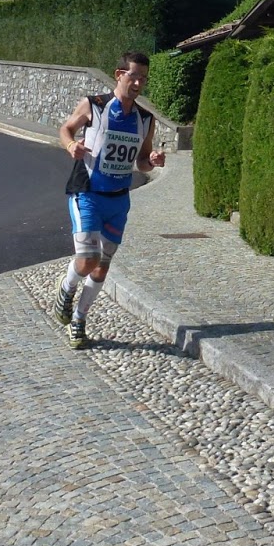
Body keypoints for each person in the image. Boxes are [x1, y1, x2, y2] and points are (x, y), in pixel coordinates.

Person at [52, 50, 166, 349]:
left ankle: (79, 320)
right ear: (119, 75)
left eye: (143, 78)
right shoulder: (95, 105)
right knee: (87, 259)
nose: (138, 83)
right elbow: (66, 129)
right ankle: (66, 288)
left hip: (118, 200)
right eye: (134, 76)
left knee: (102, 267)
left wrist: (153, 161)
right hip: (88, 193)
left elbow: (142, 162)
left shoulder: (145, 119)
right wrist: (71, 145)